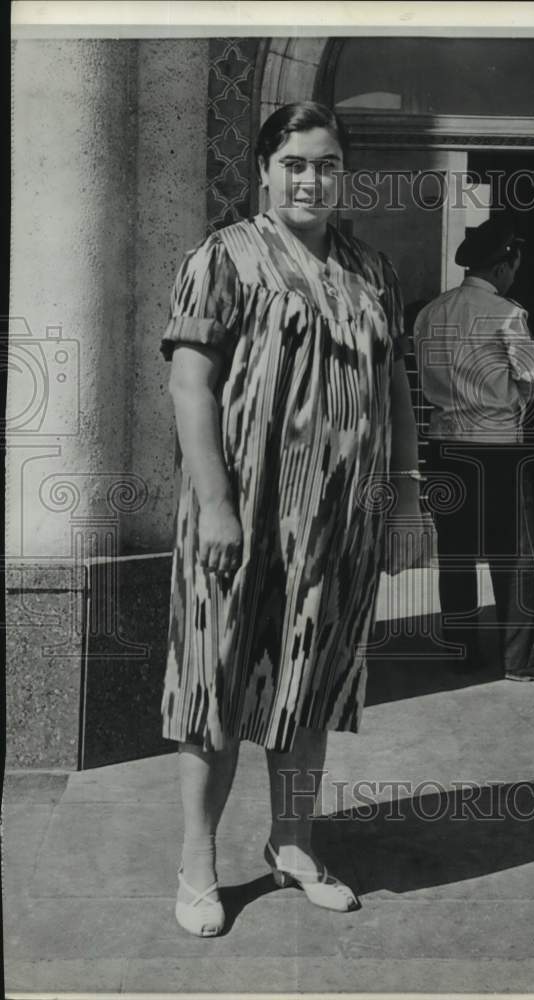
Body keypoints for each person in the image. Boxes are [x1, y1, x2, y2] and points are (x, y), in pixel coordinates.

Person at [159, 101, 424, 937]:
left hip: (338, 521)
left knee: (312, 683)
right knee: (216, 683)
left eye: (328, 163)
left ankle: (292, 844)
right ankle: (198, 862)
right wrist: (213, 505)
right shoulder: (223, 258)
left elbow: (394, 391)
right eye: (296, 163)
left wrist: (408, 496)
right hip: (237, 515)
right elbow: (188, 385)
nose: (312, 178)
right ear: (266, 170)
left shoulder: (369, 268)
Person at [413, 216, 534, 683]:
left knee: (458, 553)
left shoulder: (431, 312)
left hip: (444, 446)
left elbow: (424, 377)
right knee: (517, 555)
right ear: (505, 264)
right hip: (497, 449)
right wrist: (506, 405)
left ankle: (464, 650)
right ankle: (520, 659)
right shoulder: (506, 313)